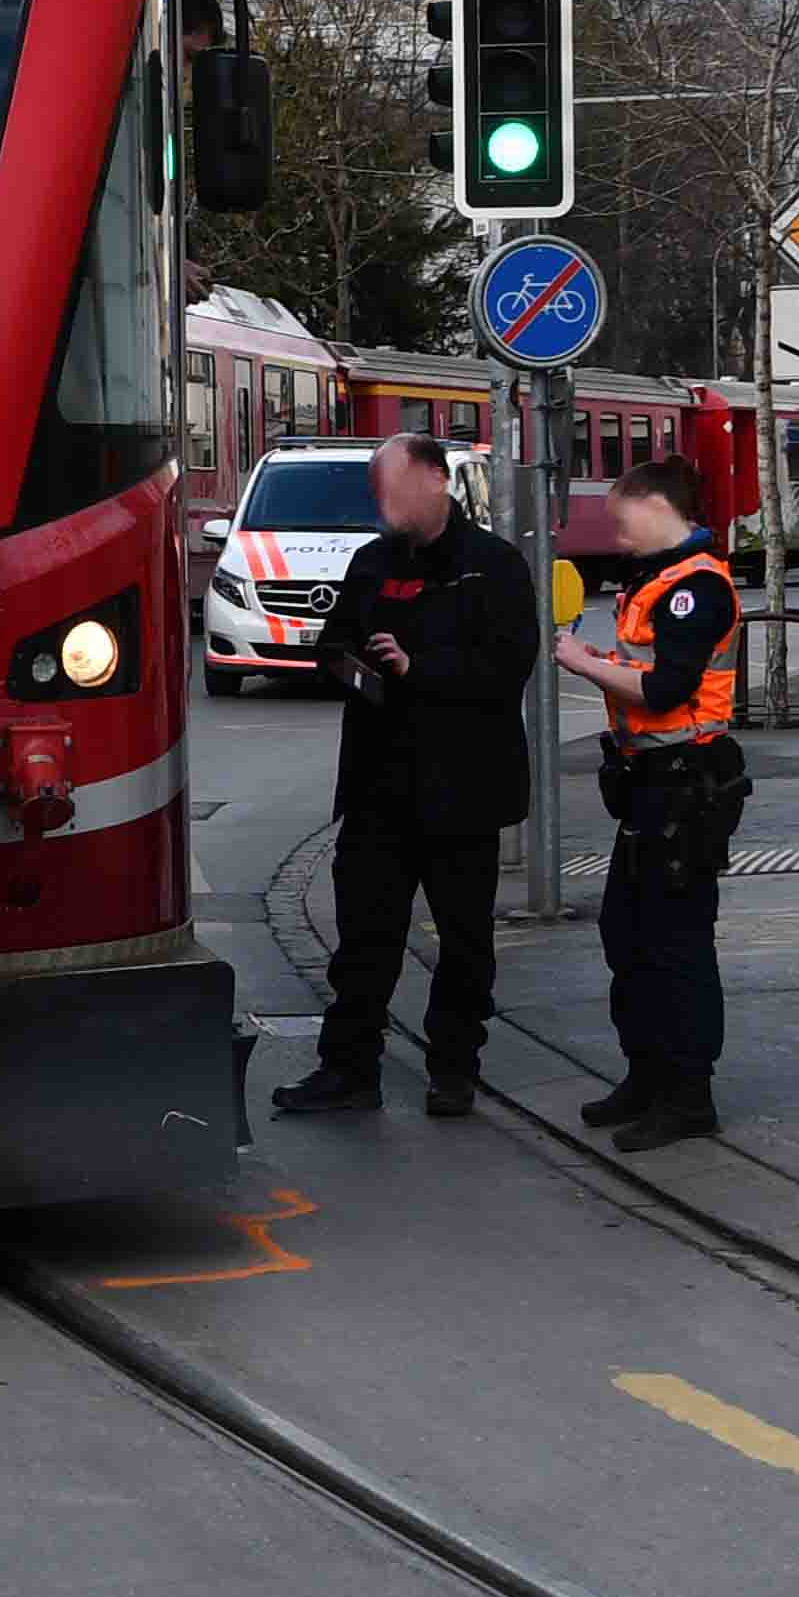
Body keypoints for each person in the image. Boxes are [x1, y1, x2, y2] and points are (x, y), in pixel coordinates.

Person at [283, 432, 541, 1121]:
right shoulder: (372, 562)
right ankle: (349, 1069)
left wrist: (416, 668)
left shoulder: (492, 566)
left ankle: (453, 1070)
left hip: (463, 792)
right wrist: (351, 667)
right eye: (377, 491)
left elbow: (506, 669)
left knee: (463, 942)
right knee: (363, 941)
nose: (382, 502)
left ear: (434, 479)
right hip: (379, 789)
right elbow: (335, 644)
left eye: (391, 487)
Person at [554, 459, 747, 1148]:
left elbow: (666, 690)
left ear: (657, 505)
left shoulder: (696, 587)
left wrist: (582, 663)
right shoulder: (659, 580)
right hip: (651, 786)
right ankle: (647, 1075)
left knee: (676, 944)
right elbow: (646, 674)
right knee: (628, 934)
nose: (615, 534)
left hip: (685, 786)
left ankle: (688, 1095)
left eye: (621, 518)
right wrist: (606, 665)